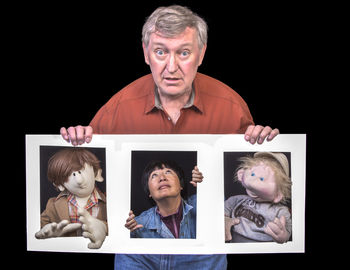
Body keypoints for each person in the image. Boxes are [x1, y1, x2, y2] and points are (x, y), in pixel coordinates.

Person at [60, 5, 279, 269]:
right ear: (146, 53)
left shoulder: (230, 106)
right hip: (137, 250)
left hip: (205, 251)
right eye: (161, 52)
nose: (171, 67)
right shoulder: (117, 108)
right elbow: (92, 170)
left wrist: (262, 144)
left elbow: (247, 174)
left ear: (201, 54)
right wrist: (79, 141)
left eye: (183, 53)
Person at [35, 147, 108, 249]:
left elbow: (124, 229)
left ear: (97, 174)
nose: (79, 180)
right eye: (69, 175)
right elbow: (38, 227)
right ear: (60, 184)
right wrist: (47, 233)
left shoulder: (111, 202)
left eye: (82, 171)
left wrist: (104, 228)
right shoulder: (52, 205)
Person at [224, 152, 292, 243]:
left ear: (278, 195)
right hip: (233, 245)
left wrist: (283, 236)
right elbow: (226, 206)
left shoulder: (280, 210)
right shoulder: (238, 199)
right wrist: (224, 218)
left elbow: (287, 230)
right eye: (252, 174)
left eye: (262, 179)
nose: (254, 180)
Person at [125, 160, 202, 239]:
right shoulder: (138, 225)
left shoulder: (202, 203)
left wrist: (207, 188)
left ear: (181, 185)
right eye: (154, 175)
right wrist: (127, 236)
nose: (162, 178)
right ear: (149, 192)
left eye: (168, 172)